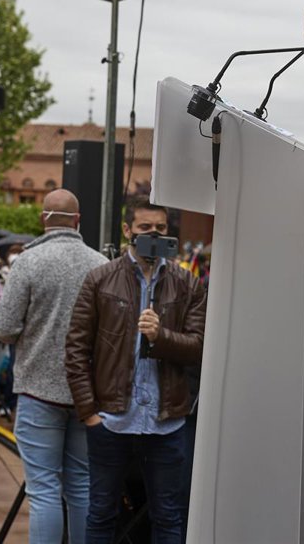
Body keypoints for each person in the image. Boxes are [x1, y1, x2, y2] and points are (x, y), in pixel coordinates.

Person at [65, 197, 207, 544]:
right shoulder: (101, 279)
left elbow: (199, 348)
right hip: (112, 420)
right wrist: (89, 414)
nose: (153, 234)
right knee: (102, 513)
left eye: (160, 228)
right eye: (145, 227)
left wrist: (161, 337)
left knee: (168, 516)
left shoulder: (186, 283)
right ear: (128, 230)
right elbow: (76, 349)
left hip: (166, 423)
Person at [0, 189, 108, 544]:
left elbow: (4, 328)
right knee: (81, 486)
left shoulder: (28, 261)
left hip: (38, 390)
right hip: (86, 394)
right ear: (78, 221)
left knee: (43, 491)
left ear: (43, 219)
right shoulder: (101, 264)